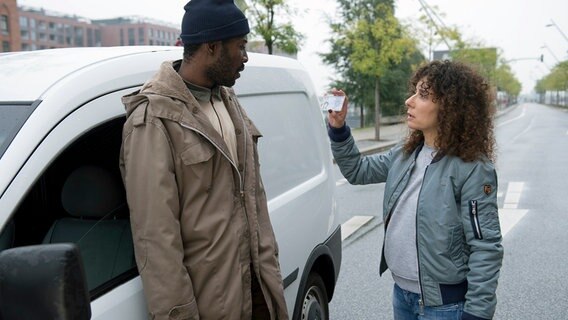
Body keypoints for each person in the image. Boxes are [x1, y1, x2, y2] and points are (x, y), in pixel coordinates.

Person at [119, 0, 288, 319]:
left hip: (259, 293)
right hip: (214, 305)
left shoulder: (229, 101)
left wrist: (270, 271)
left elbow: (254, 197)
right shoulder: (155, 119)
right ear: (212, 47)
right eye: (240, 46)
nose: (246, 57)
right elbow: (156, 238)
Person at [327, 60, 503, 320]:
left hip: (445, 306)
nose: (409, 101)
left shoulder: (472, 168)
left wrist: (477, 313)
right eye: (414, 92)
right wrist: (339, 130)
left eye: (422, 95)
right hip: (402, 294)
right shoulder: (406, 153)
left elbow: (485, 246)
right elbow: (357, 170)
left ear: (449, 107)